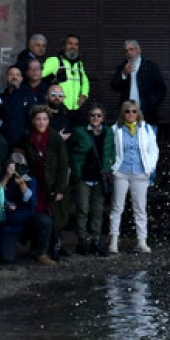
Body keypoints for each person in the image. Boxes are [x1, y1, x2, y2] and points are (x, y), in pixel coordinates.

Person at [20, 104, 71, 264]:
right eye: (38, 119)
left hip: (53, 183)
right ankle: (36, 249)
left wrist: (60, 188)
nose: (41, 122)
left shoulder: (55, 138)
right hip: (36, 183)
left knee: (54, 215)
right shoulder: (28, 137)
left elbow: (63, 165)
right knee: (37, 214)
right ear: (33, 121)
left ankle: (53, 248)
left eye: (44, 119)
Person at [109, 100, 159, 254]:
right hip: (121, 172)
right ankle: (114, 241)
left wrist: (149, 168)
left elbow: (153, 150)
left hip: (139, 172)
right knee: (117, 207)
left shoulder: (146, 129)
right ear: (122, 113)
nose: (131, 114)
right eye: (127, 111)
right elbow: (110, 149)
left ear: (138, 113)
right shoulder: (115, 129)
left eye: (134, 111)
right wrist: (113, 167)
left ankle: (142, 241)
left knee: (140, 208)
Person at [71, 102, 115, 255]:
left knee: (97, 210)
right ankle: (82, 240)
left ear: (103, 118)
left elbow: (112, 150)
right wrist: (76, 169)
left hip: (100, 176)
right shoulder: (80, 131)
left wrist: (111, 161)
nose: (95, 118)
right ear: (88, 117)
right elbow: (73, 150)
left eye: (99, 115)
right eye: (92, 115)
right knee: (83, 208)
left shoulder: (108, 132)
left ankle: (96, 239)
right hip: (84, 175)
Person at [111, 39, 167, 126]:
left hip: (146, 112)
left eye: (131, 49)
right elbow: (114, 86)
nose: (129, 53)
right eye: (126, 51)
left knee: (148, 138)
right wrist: (124, 74)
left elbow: (161, 89)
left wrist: (151, 103)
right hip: (128, 113)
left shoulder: (151, 67)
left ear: (138, 50)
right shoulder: (122, 67)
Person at [41, 34, 90, 114]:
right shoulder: (54, 61)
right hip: (58, 108)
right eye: (70, 44)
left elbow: (85, 82)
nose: (73, 47)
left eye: (76, 44)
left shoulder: (79, 64)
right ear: (63, 46)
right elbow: (38, 77)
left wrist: (84, 95)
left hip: (76, 108)